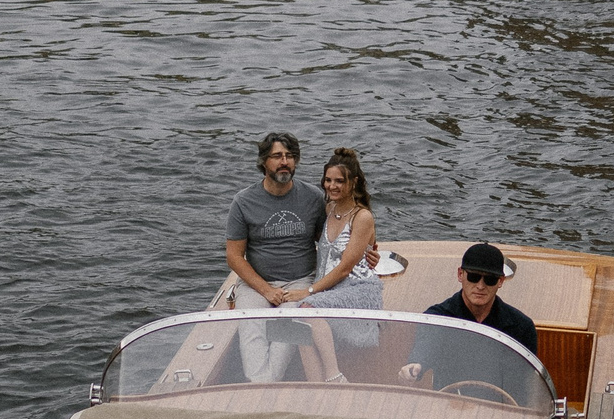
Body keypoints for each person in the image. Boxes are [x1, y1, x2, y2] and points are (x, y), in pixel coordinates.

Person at [224, 132, 325, 380]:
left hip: (300, 282)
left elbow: (331, 241)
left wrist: (366, 250)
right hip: (255, 285)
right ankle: (264, 386)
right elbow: (234, 257)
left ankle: (264, 386)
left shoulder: (314, 197)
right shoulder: (243, 201)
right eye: (277, 156)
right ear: (263, 162)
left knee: (286, 332)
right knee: (252, 333)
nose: (285, 162)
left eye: (290, 156)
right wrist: (266, 290)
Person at [285, 148, 384, 379]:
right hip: (330, 287)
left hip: (356, 289)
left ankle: (334, 376)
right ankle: (315, 384)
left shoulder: (362, 217)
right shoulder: (329, 209)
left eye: (340, 181)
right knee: (301, 319)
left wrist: (306, 292)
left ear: (354, 182)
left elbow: (345, 268)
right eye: (328, 180)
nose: (332, 186)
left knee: (306, 309)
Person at [403, 242, 538, 392]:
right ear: (460, 275)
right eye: (474, 277)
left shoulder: (521, 327)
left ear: (500, 281)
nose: (480, 286)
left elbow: (527, 386)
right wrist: (416, 366)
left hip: (500, 411)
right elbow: (425, 348)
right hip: (449, 409)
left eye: (490, 279)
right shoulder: (438, 318)